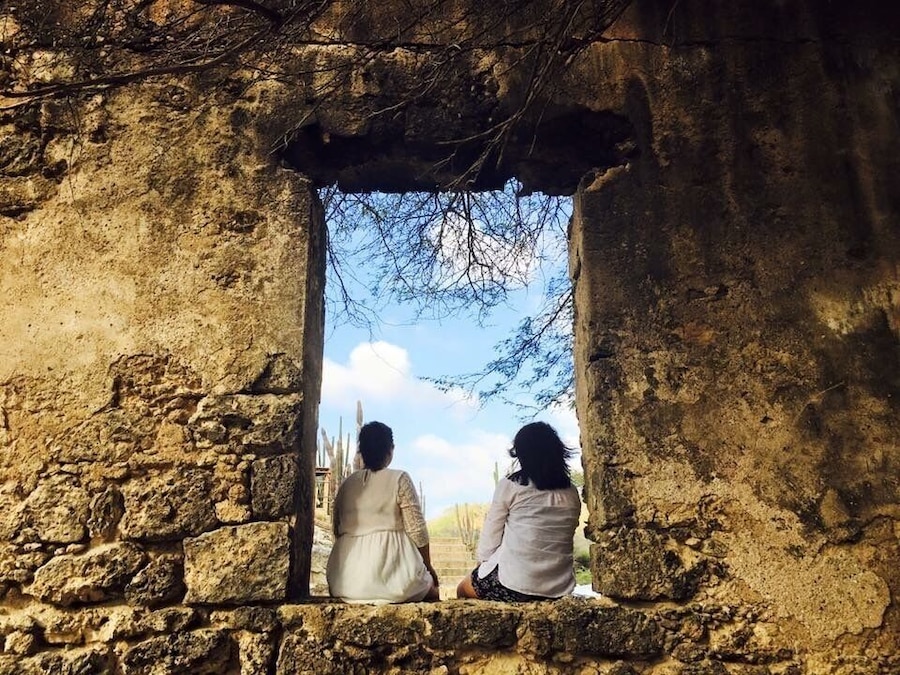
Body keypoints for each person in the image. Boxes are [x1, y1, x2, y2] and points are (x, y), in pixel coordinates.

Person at [456, 421, 581, 601]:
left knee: (462, 590)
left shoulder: (511, 486)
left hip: (514, 584)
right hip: (559, 587)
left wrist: (482, 566)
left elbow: (491, 537)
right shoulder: (571, 492)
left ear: (522, 454)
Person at [326, 421, 440, 604]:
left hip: (346, 580)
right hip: (397, 577)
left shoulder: (347, 484)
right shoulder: (399, 478)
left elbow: (337, 528)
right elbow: (417, 531)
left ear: (361, 451)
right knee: (432, 593)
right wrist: (428, 567)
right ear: (390, 450)